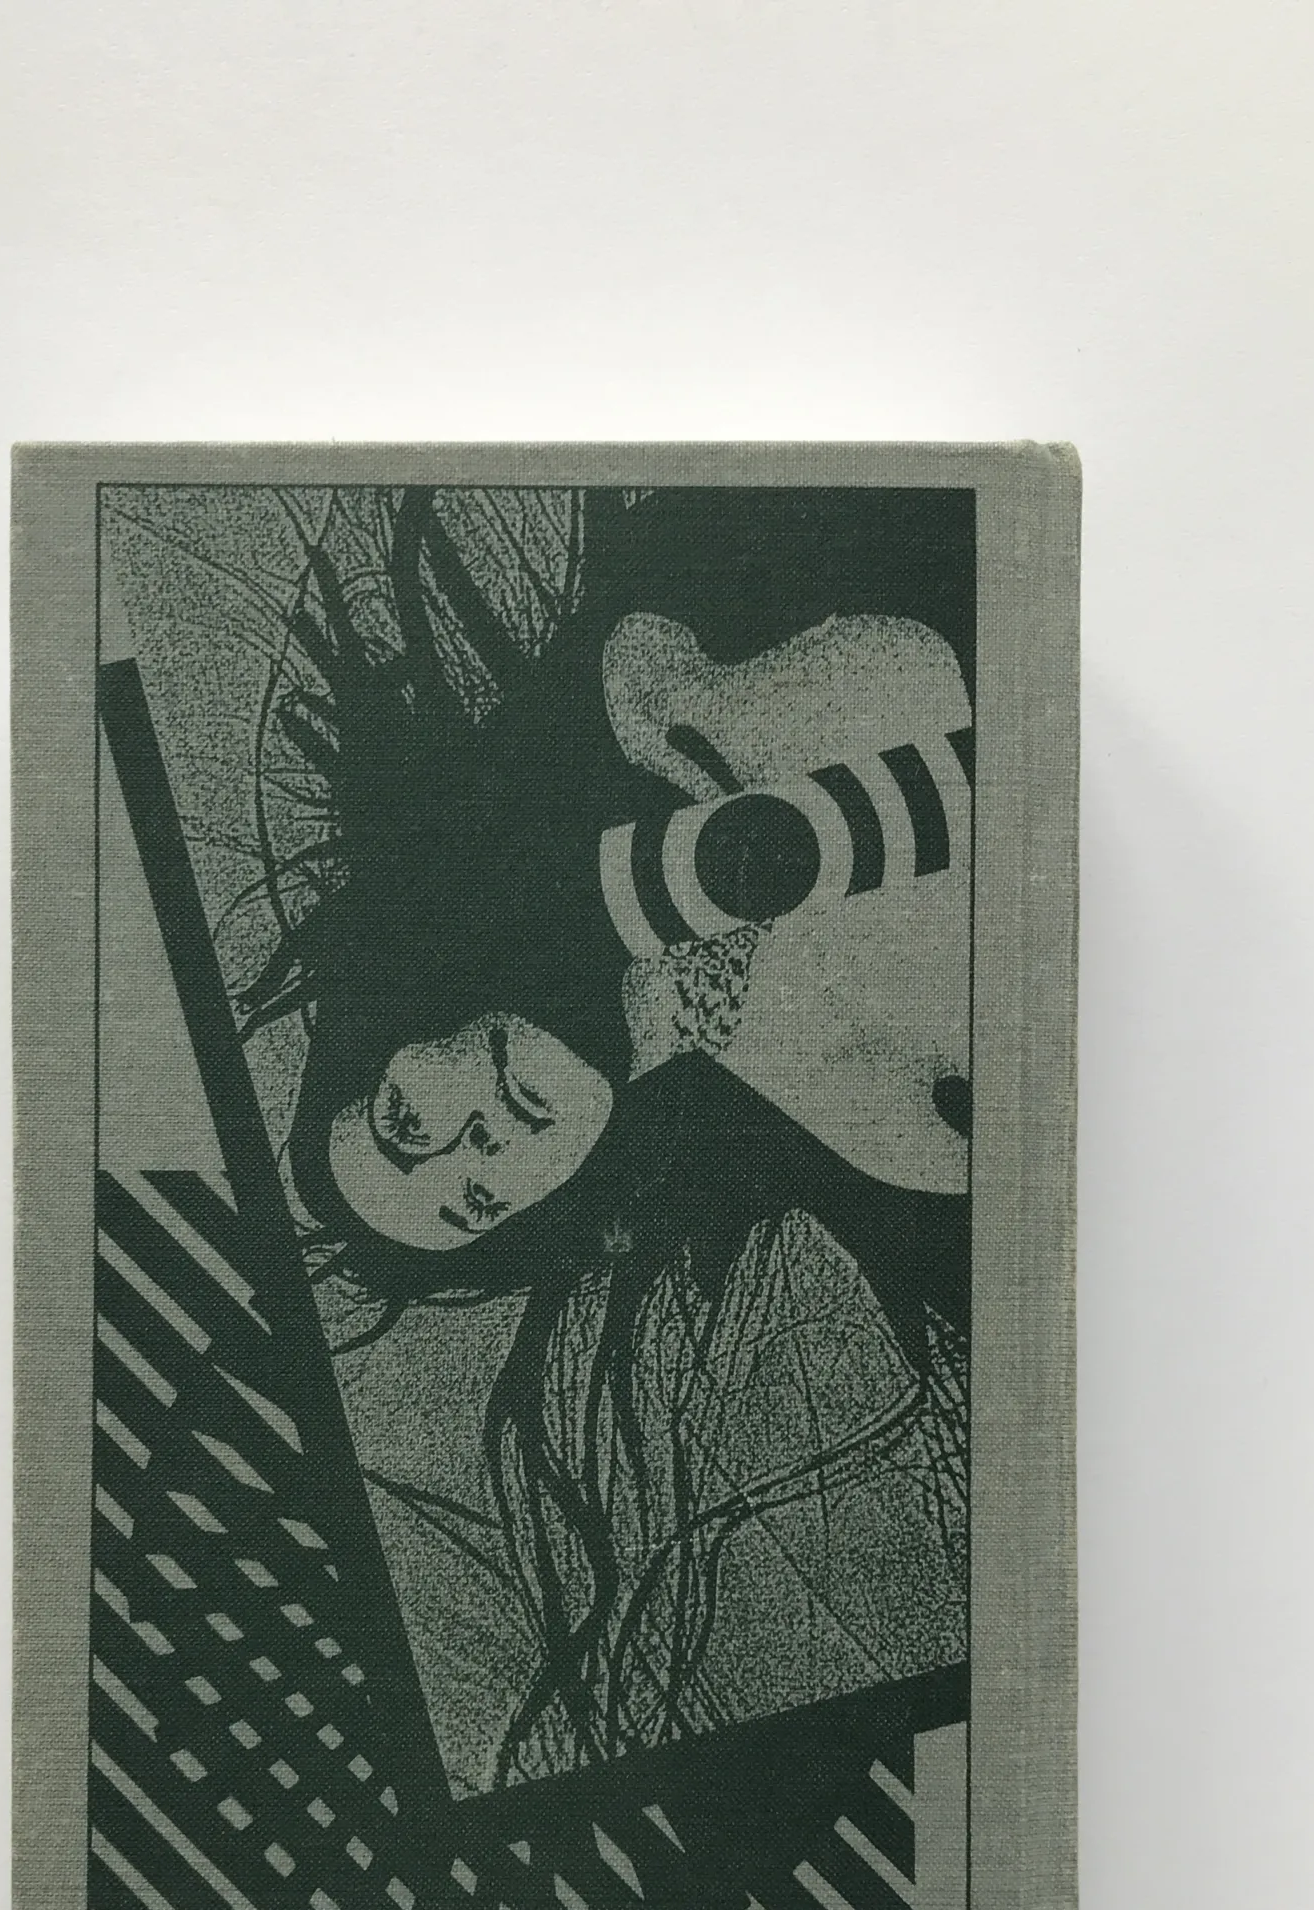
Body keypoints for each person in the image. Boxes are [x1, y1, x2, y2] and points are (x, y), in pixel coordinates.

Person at [237, 488, 971, 1783]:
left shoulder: (651, 687)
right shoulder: (875, 1125)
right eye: (476, 1200)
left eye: (405, 1122)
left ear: (406, 1024)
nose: (475, 1147)